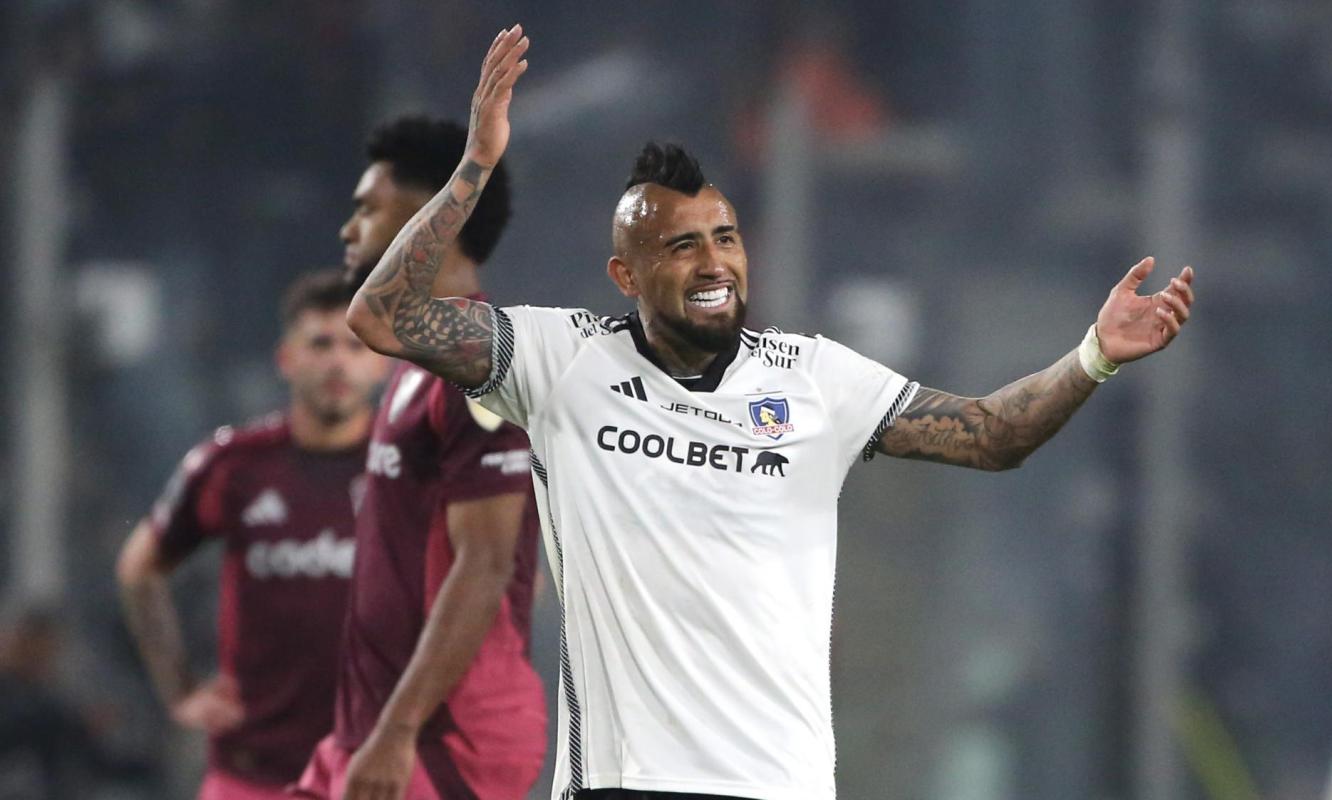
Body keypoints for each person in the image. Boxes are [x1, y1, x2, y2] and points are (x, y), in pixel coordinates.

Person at [347, 25, 1197, 800]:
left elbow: (992, 435)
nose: (713, 262)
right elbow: (384, 317)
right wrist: (474, 167)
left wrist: (1092, 355)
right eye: (681, 245)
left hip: (779, 786)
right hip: (624, 781)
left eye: (725, 238)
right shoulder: (561, 358)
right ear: (626, 276)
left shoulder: (813, 376)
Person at [294, 116, 545, 800]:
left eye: (368, 209)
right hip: (374, 733)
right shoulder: (411, 368)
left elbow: (487, 562)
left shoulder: (481, 367)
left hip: (441, 740)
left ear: (433, 217)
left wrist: (399, 730)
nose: (348, 229)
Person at [116, 269, 388, 799]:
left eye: (355, 346)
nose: (338, 361)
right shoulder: (234, 464)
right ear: (287, 358)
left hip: (380, 770)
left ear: (380, 364)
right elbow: (139, 567)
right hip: (255, 770)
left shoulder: (409, 467)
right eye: (321, 344)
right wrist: (180, 690)